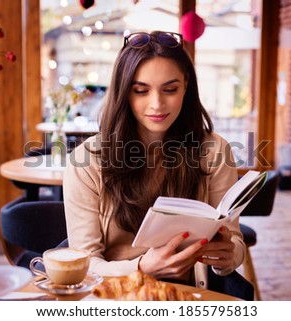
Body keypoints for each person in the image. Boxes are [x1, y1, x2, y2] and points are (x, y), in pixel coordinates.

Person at [63, 31, 245, 290]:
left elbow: (235, 241)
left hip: (188, 295)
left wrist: (228, 256)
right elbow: (84, 265)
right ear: (124, 93)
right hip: (115, 297)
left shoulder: (214, 150)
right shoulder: (87, 161)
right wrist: (141, 268)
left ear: (186, 87)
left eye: (170, 89)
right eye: (141, 91)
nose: (157, 104)